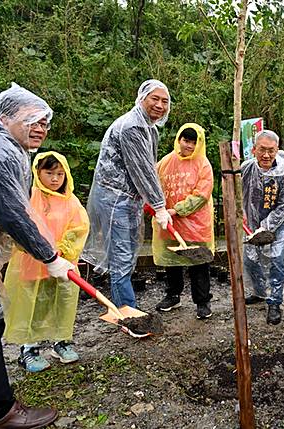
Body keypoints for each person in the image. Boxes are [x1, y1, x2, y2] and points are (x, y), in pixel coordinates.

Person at [0, 84, 76, 428]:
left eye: (45, 121)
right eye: (32, 119)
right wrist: (50, 257)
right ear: (4, 117)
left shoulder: (3, 147)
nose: (41, 127)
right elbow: (14, 214)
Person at [82, 80, 173, 308]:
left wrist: (151, 201)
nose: (160, 105)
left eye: (165, 101)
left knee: (128, 255)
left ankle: (127, 307)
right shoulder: (132, 127)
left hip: (128, 199)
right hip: (116, 200)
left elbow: (149, 167)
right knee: (121, 258)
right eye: (155, 99)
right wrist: (159, 205)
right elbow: (142, 170)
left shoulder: (148, 128)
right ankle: (127, 313)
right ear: (141, 98)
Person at [2, 152, 89, 372]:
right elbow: (20, 229)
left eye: (59, 174)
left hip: (64, 264)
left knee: (62, 304)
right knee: (34, 307)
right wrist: (41, 251)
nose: (54, 179)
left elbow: (79, 228)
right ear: (37, 173)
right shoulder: (29, 198)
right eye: (49, 173)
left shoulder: (71, 201)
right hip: (33, 264)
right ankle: (28, 350)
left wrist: (63, 249)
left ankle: (61, 342)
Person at [152, 123, 214, 319]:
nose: (189, 146)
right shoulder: (165, 162)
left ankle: (202, 302)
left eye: (194, 142)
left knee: (199, 262)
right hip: (170, 222)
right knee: (172, 262)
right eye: (186, 140)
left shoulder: (203, 164)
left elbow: (201, 195)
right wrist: (157, 208)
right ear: (179, 139)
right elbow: (152, 185)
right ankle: (173, 295)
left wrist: (177, 210)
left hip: (196, 224)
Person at [242, 130, 284, 325]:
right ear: (254, 150)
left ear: (277, 150)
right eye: (262, 150)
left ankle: (274, 301)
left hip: (278, 224)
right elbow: (237, 195)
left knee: (276, 259)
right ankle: (259, 292)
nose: (266, 155)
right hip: (251, 223)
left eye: (271, 150)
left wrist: (266, 227)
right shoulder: (246, 169)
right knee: (250, 260)